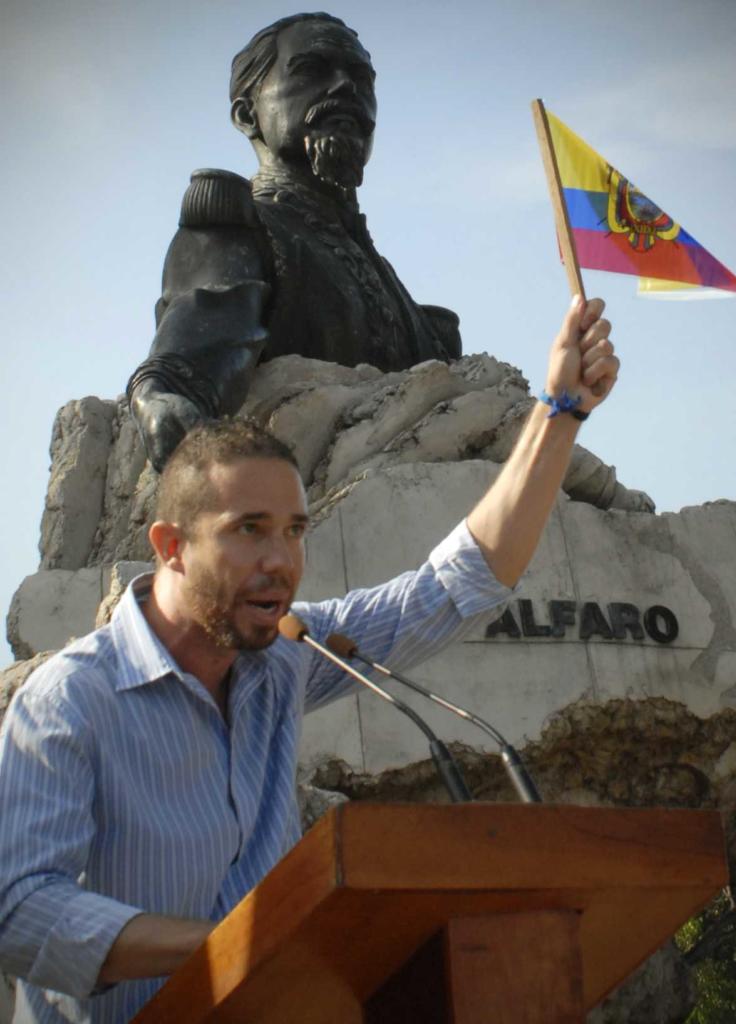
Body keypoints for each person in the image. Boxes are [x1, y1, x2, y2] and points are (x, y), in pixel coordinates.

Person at [0, 296, 618, 1022]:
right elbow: (19, 911)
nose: (280, 561)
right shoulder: (70, 700)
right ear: (170, 546)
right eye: (249, 530)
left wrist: (560, 411)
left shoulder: (286, 657)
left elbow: (456, 585)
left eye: (294, 531)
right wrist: (234, 946)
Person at [128, 12, 461, 473]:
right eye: (311, 69)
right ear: (248, 115)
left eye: (362, 79)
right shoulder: (242, 227)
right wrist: (164, 397)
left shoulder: (399, 295)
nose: (346, 87)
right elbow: (192, 359)